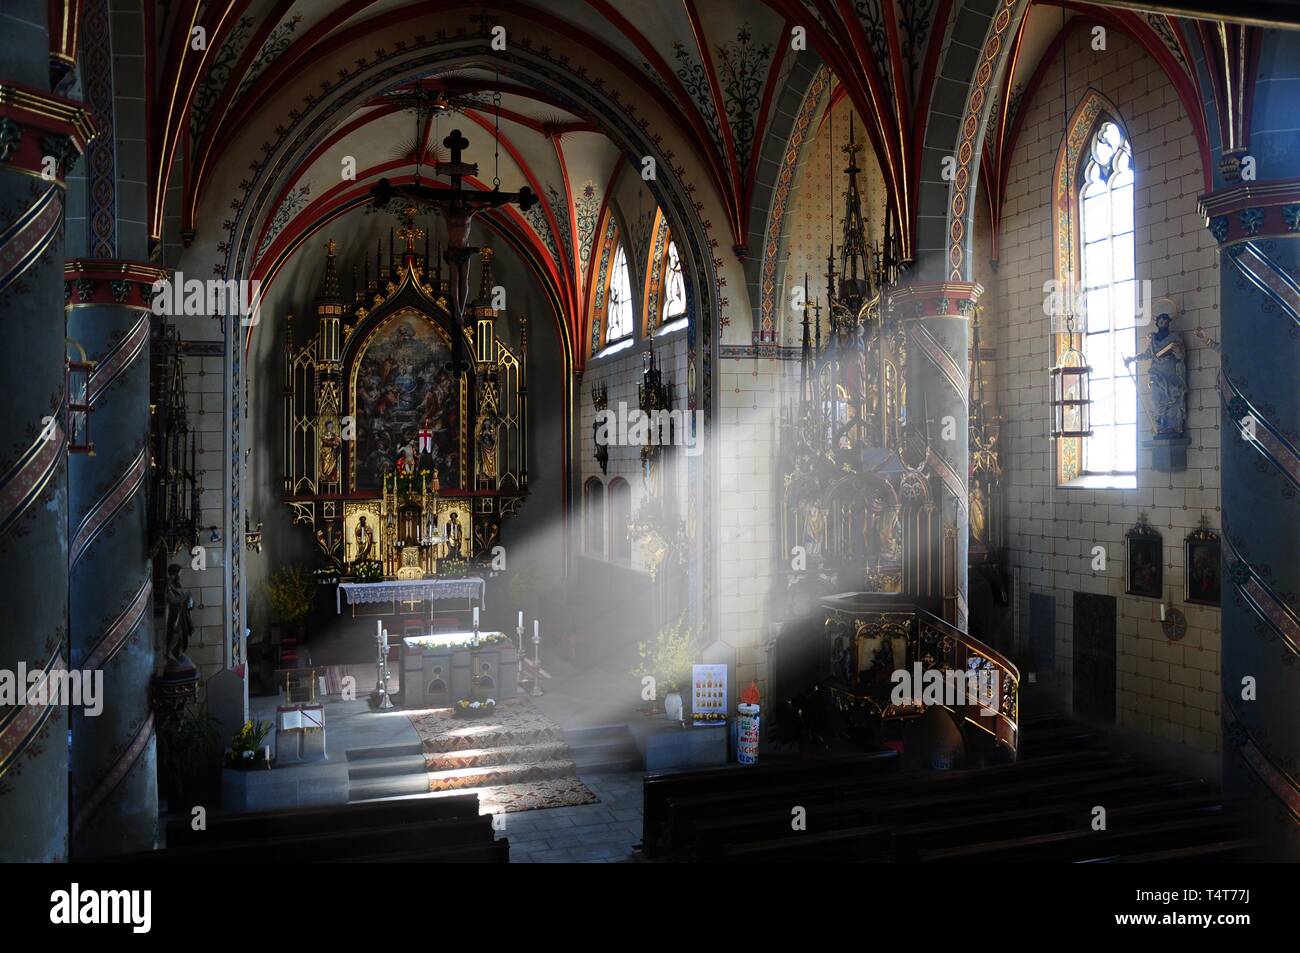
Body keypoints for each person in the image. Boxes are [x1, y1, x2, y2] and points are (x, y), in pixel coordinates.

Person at [1125, 311, 1187, 437]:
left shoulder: (1175, 337)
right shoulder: (1153, 338)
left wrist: (1177, 351)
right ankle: (1160, 424)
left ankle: (1171, 426)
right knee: (1156, 399)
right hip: (1156, 374)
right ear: (1157, 323)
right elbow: (1147, 354)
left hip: (1170, 373)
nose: (1163, 324)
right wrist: (1133, 359)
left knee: (1171, 398)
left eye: (1165, 322)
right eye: (1161, 322)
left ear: (1168, 323)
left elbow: (1181, 356)